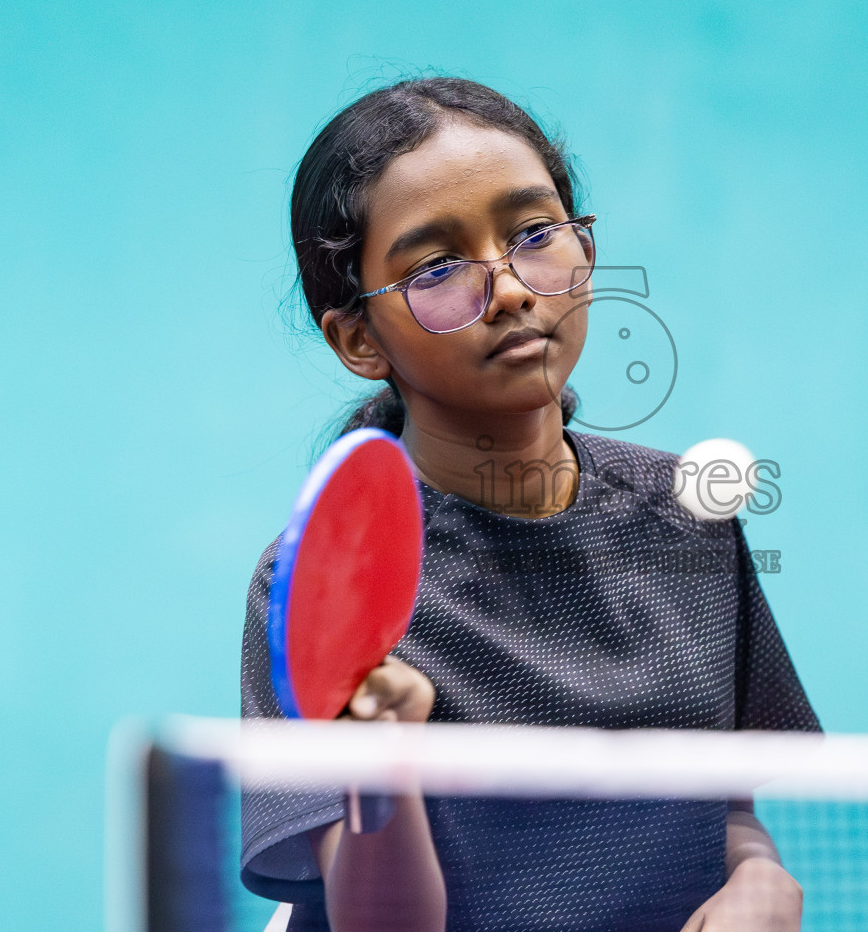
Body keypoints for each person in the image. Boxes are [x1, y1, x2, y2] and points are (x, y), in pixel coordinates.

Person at [239, 77, 820, 931]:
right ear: (359, 339)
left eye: (535, 233)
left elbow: (719, 805)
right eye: (438, 268)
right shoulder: (318, 583)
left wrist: (760, 876)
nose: (510, 288)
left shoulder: (690, 518)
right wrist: (382, 764)